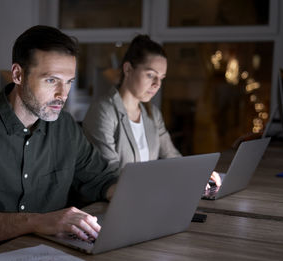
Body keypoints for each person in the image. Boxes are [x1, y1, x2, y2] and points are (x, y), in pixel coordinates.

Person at [0, 25, 118, 261]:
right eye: (51, 80)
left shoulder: (66, 127)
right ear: (18, 75)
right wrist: (38, 221)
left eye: (69, 81)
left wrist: (135, 197)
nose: (63, 94)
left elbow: (100, 179)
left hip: (48, 255)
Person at [83, 35, 221, 187]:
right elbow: (110, 174)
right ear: (128, 69)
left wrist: (198, 173)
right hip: (113, 201)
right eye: (150, 75)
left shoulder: (152, 113)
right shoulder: (104, 111)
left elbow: (171, 156)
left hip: (145, 196)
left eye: (161, 78)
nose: (157, 84)